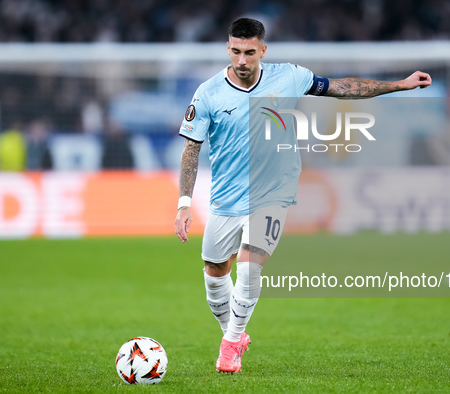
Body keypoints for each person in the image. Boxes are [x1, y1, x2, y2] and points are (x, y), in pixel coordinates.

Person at [174, 17, 431, 374]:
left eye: (250, 52)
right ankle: (234, 334)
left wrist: (399, 85)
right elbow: (191, 150)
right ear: (227, 49)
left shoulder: (290, 76)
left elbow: (343, 87)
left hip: (274, 192)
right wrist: (184, 204)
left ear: (263, 50)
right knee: (215, 274)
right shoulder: (208, 93)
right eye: (236, 51)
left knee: (249, 267)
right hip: (226, 198)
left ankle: (230, 345)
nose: (242, 60)